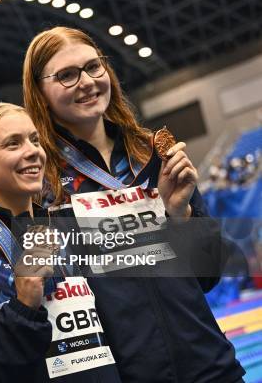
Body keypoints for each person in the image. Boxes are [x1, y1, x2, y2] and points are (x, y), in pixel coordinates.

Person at [22, 26, 245, 382]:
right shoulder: (40, 186)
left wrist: (181, 216)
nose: (87, 82)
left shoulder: (154, 154)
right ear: (40, 92)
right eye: (66, 75)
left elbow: (209, 275)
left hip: (211, 367)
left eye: (94, 67)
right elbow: (40, 294)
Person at [0, 102, 122, 382]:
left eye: (34, 140)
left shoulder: (72, 228)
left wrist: (182, 215)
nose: (33, 151)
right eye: (13, 144)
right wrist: (23, 306)